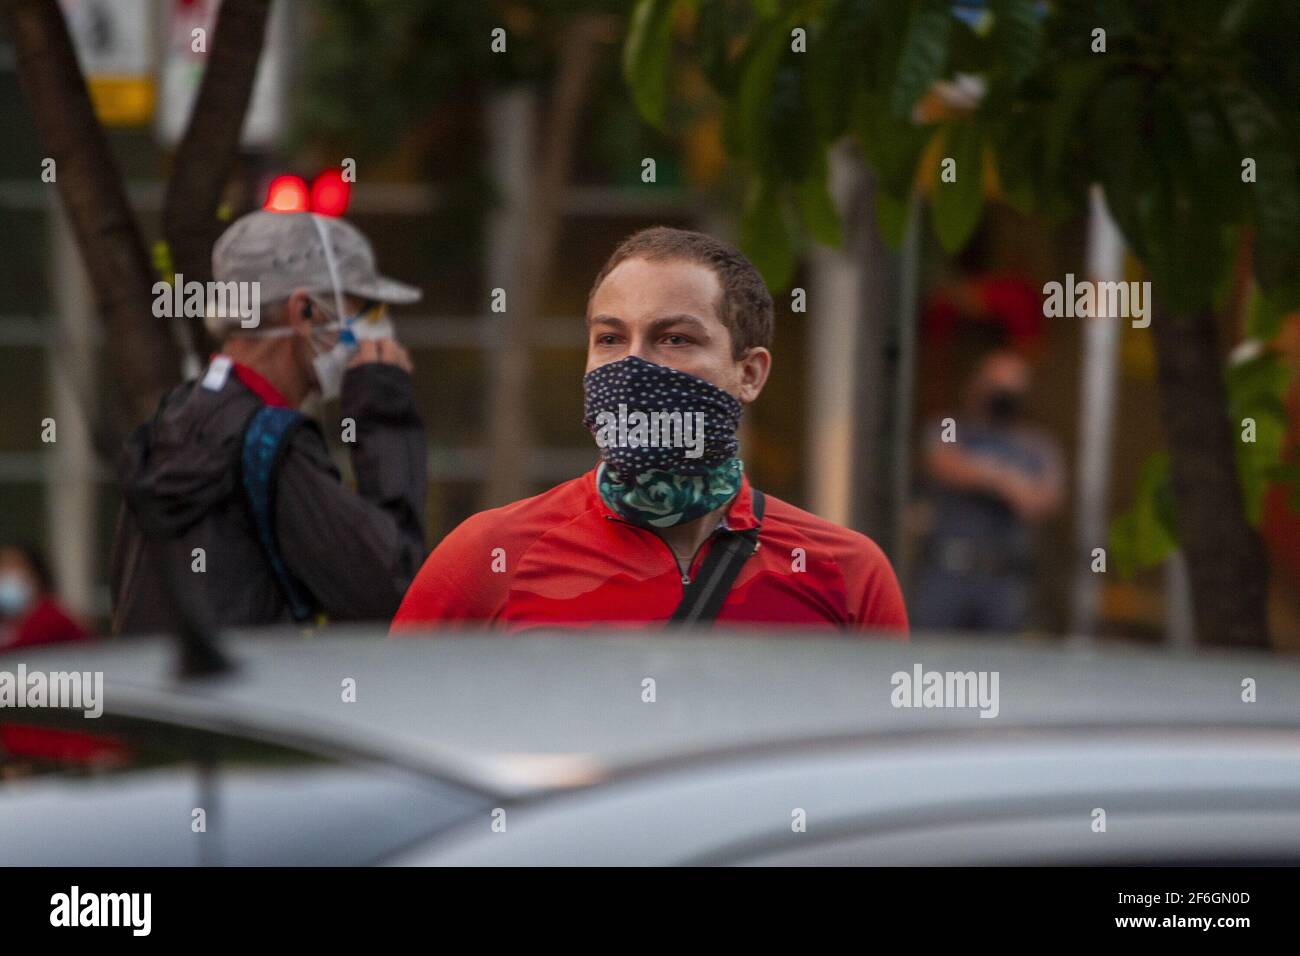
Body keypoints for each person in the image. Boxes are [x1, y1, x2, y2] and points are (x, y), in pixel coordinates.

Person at [392, 227, 907, 634]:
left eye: (675, 338)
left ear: (749, 373)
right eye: (611, 338)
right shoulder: (488, 556)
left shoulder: (847, 574)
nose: (634, 365)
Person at [109, 211, 427, 634]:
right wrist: (383, 405)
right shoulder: (269, 444)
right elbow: (393, 589)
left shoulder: (174, 420)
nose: (376, 329)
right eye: (361, 309)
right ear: (305, 311)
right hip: (244, 698)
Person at [911, 348, 1064, 633]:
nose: (1003, 397)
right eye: (996, 387)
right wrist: (1004, 479)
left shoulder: (1036, 444)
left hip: (1003, 580)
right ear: (975, 386)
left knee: (1001, 670)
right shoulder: (949, 426)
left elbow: (1044, 500)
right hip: (946, 573)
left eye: (1012, 389)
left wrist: (1000, 482)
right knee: (928, 664)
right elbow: (944, 463)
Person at [0, 544, 92, 649]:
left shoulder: (52, 618)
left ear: (36, 575)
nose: (5, 573)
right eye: (2, 567)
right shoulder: (9, 621)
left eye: (14, 566)